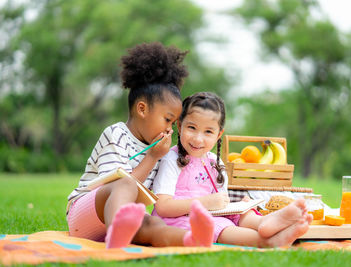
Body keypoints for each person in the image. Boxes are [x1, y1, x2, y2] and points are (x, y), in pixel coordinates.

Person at [67, 42, 214, 249]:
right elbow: (116, 186)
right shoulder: (116, 135)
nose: (170, 130)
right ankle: (116, 237)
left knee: (152, 222)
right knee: (126, 183)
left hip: (125, 217)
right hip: (85, 215)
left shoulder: (161, 151)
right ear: (142, 109)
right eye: (167, 120)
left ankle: (191, 239)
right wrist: (152, 157)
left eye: (173, 124)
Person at [152, 92, 313, 247]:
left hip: (211, 212)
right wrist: (206, 203)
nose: (198, 138)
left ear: (218, 134)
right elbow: (163, 207)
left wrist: (238, 205)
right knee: (220, 227)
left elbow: (219, 203)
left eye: (208, 131)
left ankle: (264, 223)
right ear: (180, 126)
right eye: (192, 128)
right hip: (179, 219)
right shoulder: (172, 159)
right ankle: (265, 241)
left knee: (242, 213)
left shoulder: (215, 162)